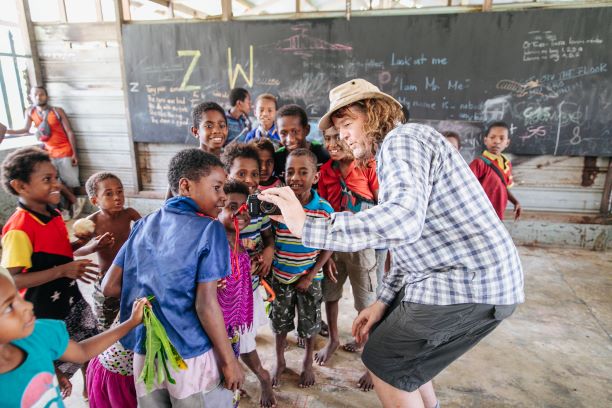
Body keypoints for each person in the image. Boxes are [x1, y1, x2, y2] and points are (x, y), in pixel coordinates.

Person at [258, 79, 524, 408]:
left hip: (468, 282)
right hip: (479, 283)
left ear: (372, 114)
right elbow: (407, 245)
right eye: (337, 128)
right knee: (404, 361)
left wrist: (306, 225)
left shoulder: (402, 139)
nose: (341, 136)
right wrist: (382, 301)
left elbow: (402, 220)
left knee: (384, 359)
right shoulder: (395, 154)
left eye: (346, 124)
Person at [102, 148, 243, 406]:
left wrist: (156, 290)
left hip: (146, 354)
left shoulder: (145, 223)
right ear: (186, 186)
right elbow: (206, 305)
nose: (223, 197)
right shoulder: (210, 229)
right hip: (188, 355)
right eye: (217, 188)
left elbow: (109, 286)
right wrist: (229, 361)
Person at [0, 146, 103, 397]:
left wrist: (82, 246)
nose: (56, 183)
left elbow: (52, 256)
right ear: (21, 186)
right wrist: (63, 270)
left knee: (88, 347)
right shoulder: (19, 228)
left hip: (71, 300)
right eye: (47, 179)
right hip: (43, 310)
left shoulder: (52, 213)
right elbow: (12, 278)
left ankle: (90, 392)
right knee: (50, 365)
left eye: (56, 176)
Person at [0, 272, 148, 408]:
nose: (27, 305)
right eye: (8, 307)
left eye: (17, 296)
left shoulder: (39, 334)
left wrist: (131, 322)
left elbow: (82, 351)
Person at [314, 126, 379, 391]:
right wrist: (325, 254)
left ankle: (372, 360)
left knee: (366, 301)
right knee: (330, 293)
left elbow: (382, 204)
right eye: (327, 139)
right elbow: (323, 212)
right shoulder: (326, 171)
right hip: (335, 246)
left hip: (363, 245)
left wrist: (386, 250)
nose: (332, 143)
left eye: (338, 137)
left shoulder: (367, 165)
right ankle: (332, 340)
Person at [269, 149, 334, 389]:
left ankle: (307, 363)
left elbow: (329, 244)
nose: (295, 177)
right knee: (279, 324)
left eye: (303, 171)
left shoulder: (323, 209)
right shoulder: (277, 206)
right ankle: (280, 361)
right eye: (290, 171)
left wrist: (311, 273)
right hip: (281, 277)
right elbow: (270, 237)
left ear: (315, 176)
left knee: (309, 325)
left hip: (310, 278)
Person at [221, 143, 276, 407]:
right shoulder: (221, 210)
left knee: (243, 340)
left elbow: (268, 237)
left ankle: (262, 376)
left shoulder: (257, 207)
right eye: (241, 174)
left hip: (247, 290)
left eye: (255, 174)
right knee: (227, 340)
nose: (250, 180)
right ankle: (233, 379)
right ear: (226, 173)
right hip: (223, 292)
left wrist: (268, 252)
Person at [5, 86, 86, 219]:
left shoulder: (57, 111)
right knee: (53, 182)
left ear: (46, 96)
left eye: (42, 94)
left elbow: (69, 132)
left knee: (69, 182)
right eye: (35, 94)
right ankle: (69, 205)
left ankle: (71, 209)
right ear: (30, 97)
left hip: (65, 150)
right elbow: (25, 129)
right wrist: (7, 132)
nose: (39, 97)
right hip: (49, 153)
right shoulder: (31, 112)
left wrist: (74, 154)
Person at [74, 172, 141, 330]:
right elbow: (77, 251)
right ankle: (103, 349)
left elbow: (147, 233)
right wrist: (94, 247)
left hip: (130, 273)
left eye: (119, 191)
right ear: (94, 200)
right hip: (106, 278)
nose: (117, 197)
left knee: (133, 313)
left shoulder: (129, 214)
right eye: (109, 194)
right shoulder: (92, 222)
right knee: (106, 319)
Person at [165, 101, 228, 200]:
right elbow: (169, 203)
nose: (217, 130)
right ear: (195, 131)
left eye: (222, 125)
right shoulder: (185, 162)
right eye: (209, 126)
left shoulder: (230, 161)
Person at [469, 121, 522, 221]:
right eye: (492, 137)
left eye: (502, 138)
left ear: (507, 143)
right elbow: (466, 187)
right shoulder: (479, 163)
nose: (497, 141)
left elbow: (502, 187)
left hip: (498, 213)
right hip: (480, 215)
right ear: (485, 140)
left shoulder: (506, 163)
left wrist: (515, 201)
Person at [273, 104, 330, 181]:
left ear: (306, 130)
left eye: (295, 131)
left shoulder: (323, 154)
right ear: (277, 133)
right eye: (283, 133)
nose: (290, 139)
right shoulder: (277, 158)